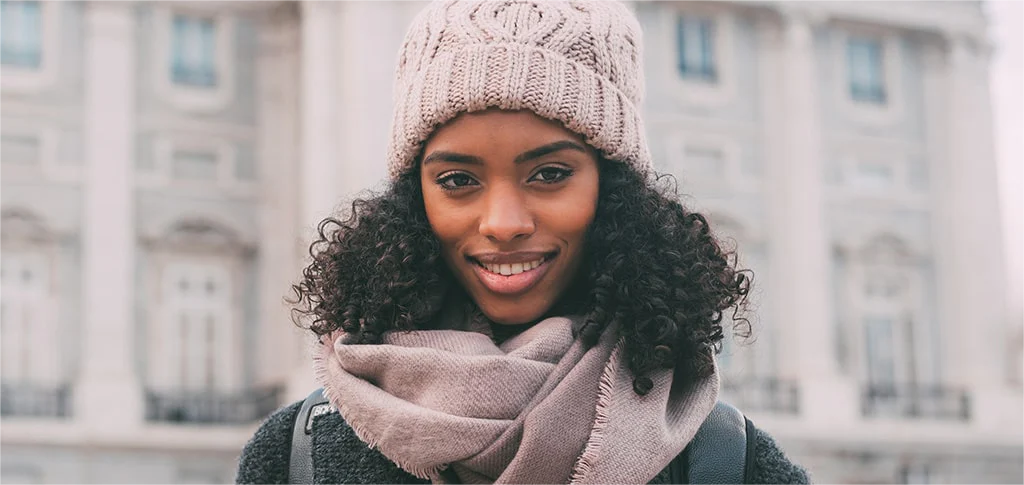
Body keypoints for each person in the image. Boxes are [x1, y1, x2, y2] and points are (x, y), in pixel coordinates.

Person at [237, 0, 810, 484]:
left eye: (550, 174)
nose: (503, 222)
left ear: (614, 195)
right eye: (458, 180)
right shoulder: (294, 458)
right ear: (412, 204)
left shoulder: (729, 464)